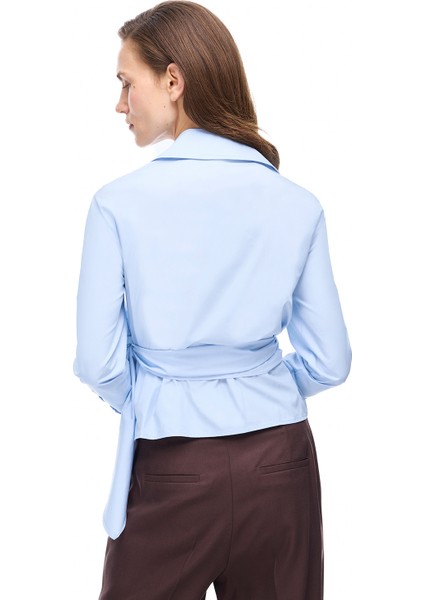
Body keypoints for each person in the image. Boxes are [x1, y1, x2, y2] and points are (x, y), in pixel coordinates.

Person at [72, 1, 352, 598]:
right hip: (281, 462)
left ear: (173, 81)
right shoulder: (297, 203)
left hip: (172, 462)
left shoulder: (117, 204)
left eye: (126, 83)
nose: (120, 104)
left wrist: (159, 394)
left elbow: (98, 363)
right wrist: (255, 380)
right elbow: (331, 362)